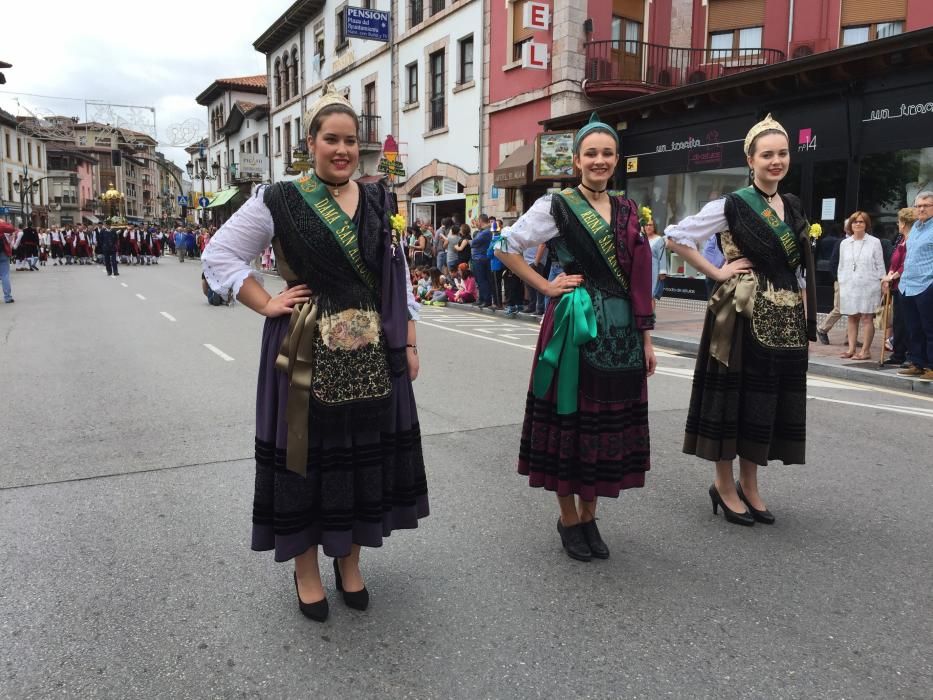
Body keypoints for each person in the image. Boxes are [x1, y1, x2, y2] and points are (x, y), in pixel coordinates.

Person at [202, 87, 428, 622]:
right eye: (332, 139)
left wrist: (411, 340)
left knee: (356, 454)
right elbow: (220, 255)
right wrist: (267, 302)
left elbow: (395, 276)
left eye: (351, 140)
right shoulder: (277, 199)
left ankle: (349, 562)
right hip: (303, 346)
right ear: (312, 143)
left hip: (370, 346)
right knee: (305, 460)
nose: (343, 149)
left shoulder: (378, 197)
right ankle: (306, 570)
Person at [494, 113, 656, 561]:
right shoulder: (556, 206)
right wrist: (546, 286)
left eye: (607, 153)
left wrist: (646, 339)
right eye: (591, 154)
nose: (599, 161)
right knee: (572, 421)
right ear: (577, 160)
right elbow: (505, 246)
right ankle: (569, 516)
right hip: (574, 327)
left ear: (617, 159)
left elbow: (639, 278)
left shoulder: (627, 209)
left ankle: (590, 513)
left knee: (602, 427)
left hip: (621, 332)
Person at [665, 113, 816, 527]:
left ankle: (750, 484)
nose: (776, 161)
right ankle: (723, 483)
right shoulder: (731, 204)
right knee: (733, 397)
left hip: (784, 318)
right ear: (750, 159)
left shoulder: (794, 205)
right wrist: (717, 272)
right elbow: (676, 235)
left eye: (782, 153)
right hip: (741, 313)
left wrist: (804, 312)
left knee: (763, 399)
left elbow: (798, 267)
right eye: (766, 154)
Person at [837, 212, 884, 360]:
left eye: (861, 222)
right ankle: (851, 349)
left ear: (866, 225)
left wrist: (883, 282)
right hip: (849, 285)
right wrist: (842, 282)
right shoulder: (844, 243)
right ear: (850, 225)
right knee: (852, 317)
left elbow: (880, 264)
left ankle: (865, 350)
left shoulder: (875, 242)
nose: (858, 224)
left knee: (866, 317)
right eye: (855, 222)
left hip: (869, 285)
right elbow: (841, 266)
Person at [898, 190, 933, 380]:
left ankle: (931, 366)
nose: (921, 209)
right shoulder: (916, 228)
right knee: (913, 327)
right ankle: (917, 362)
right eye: (918, 205)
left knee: (930, 327)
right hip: (908, 285)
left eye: (926, 205)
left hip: (927, 285)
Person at [882, 207, 919, 366]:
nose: (898, 224)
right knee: (898, 321)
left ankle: (907, 354)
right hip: (897, 285)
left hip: (907, 285)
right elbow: (895, 261)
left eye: (899, 221)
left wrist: (893, 276)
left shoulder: (911, 240)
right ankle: (898, 353)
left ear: (903, 223)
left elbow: (906, 264)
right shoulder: (901, 240)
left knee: (906, 321)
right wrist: (890, 274)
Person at [817, 218, 849, 344]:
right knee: (840, 308)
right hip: (841, 280)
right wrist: (837, 278)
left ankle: (850, 337)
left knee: (855, 311)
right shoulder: (841, 242)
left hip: (854, 282)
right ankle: (822, 328)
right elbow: (833, 262)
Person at [644, 213, 667, 309]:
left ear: (654, 227)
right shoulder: (641, 238)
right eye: (646, 225)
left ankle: (650, 318)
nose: (648, 227)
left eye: (650, 225)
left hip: (653, 270)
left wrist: (662, 272)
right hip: (642, 270)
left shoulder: (659, 240)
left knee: (650, 295)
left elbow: (662, 257)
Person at [471, 214, 493, 307]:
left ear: (480, 221)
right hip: (479, 258)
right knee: (480, 280)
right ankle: (481, 299)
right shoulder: (482, 231)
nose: (476, 223)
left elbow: (473, 242)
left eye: (477, 221)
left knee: (483, 280)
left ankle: (486, 300)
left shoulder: (486, 232)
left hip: (481, 258)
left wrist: (471, 242)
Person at [1, 222, 15, 303]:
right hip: (2, 252)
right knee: (5, 275)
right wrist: (3, 222)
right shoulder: (1, 225)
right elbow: (11, 229)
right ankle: (7, 297)